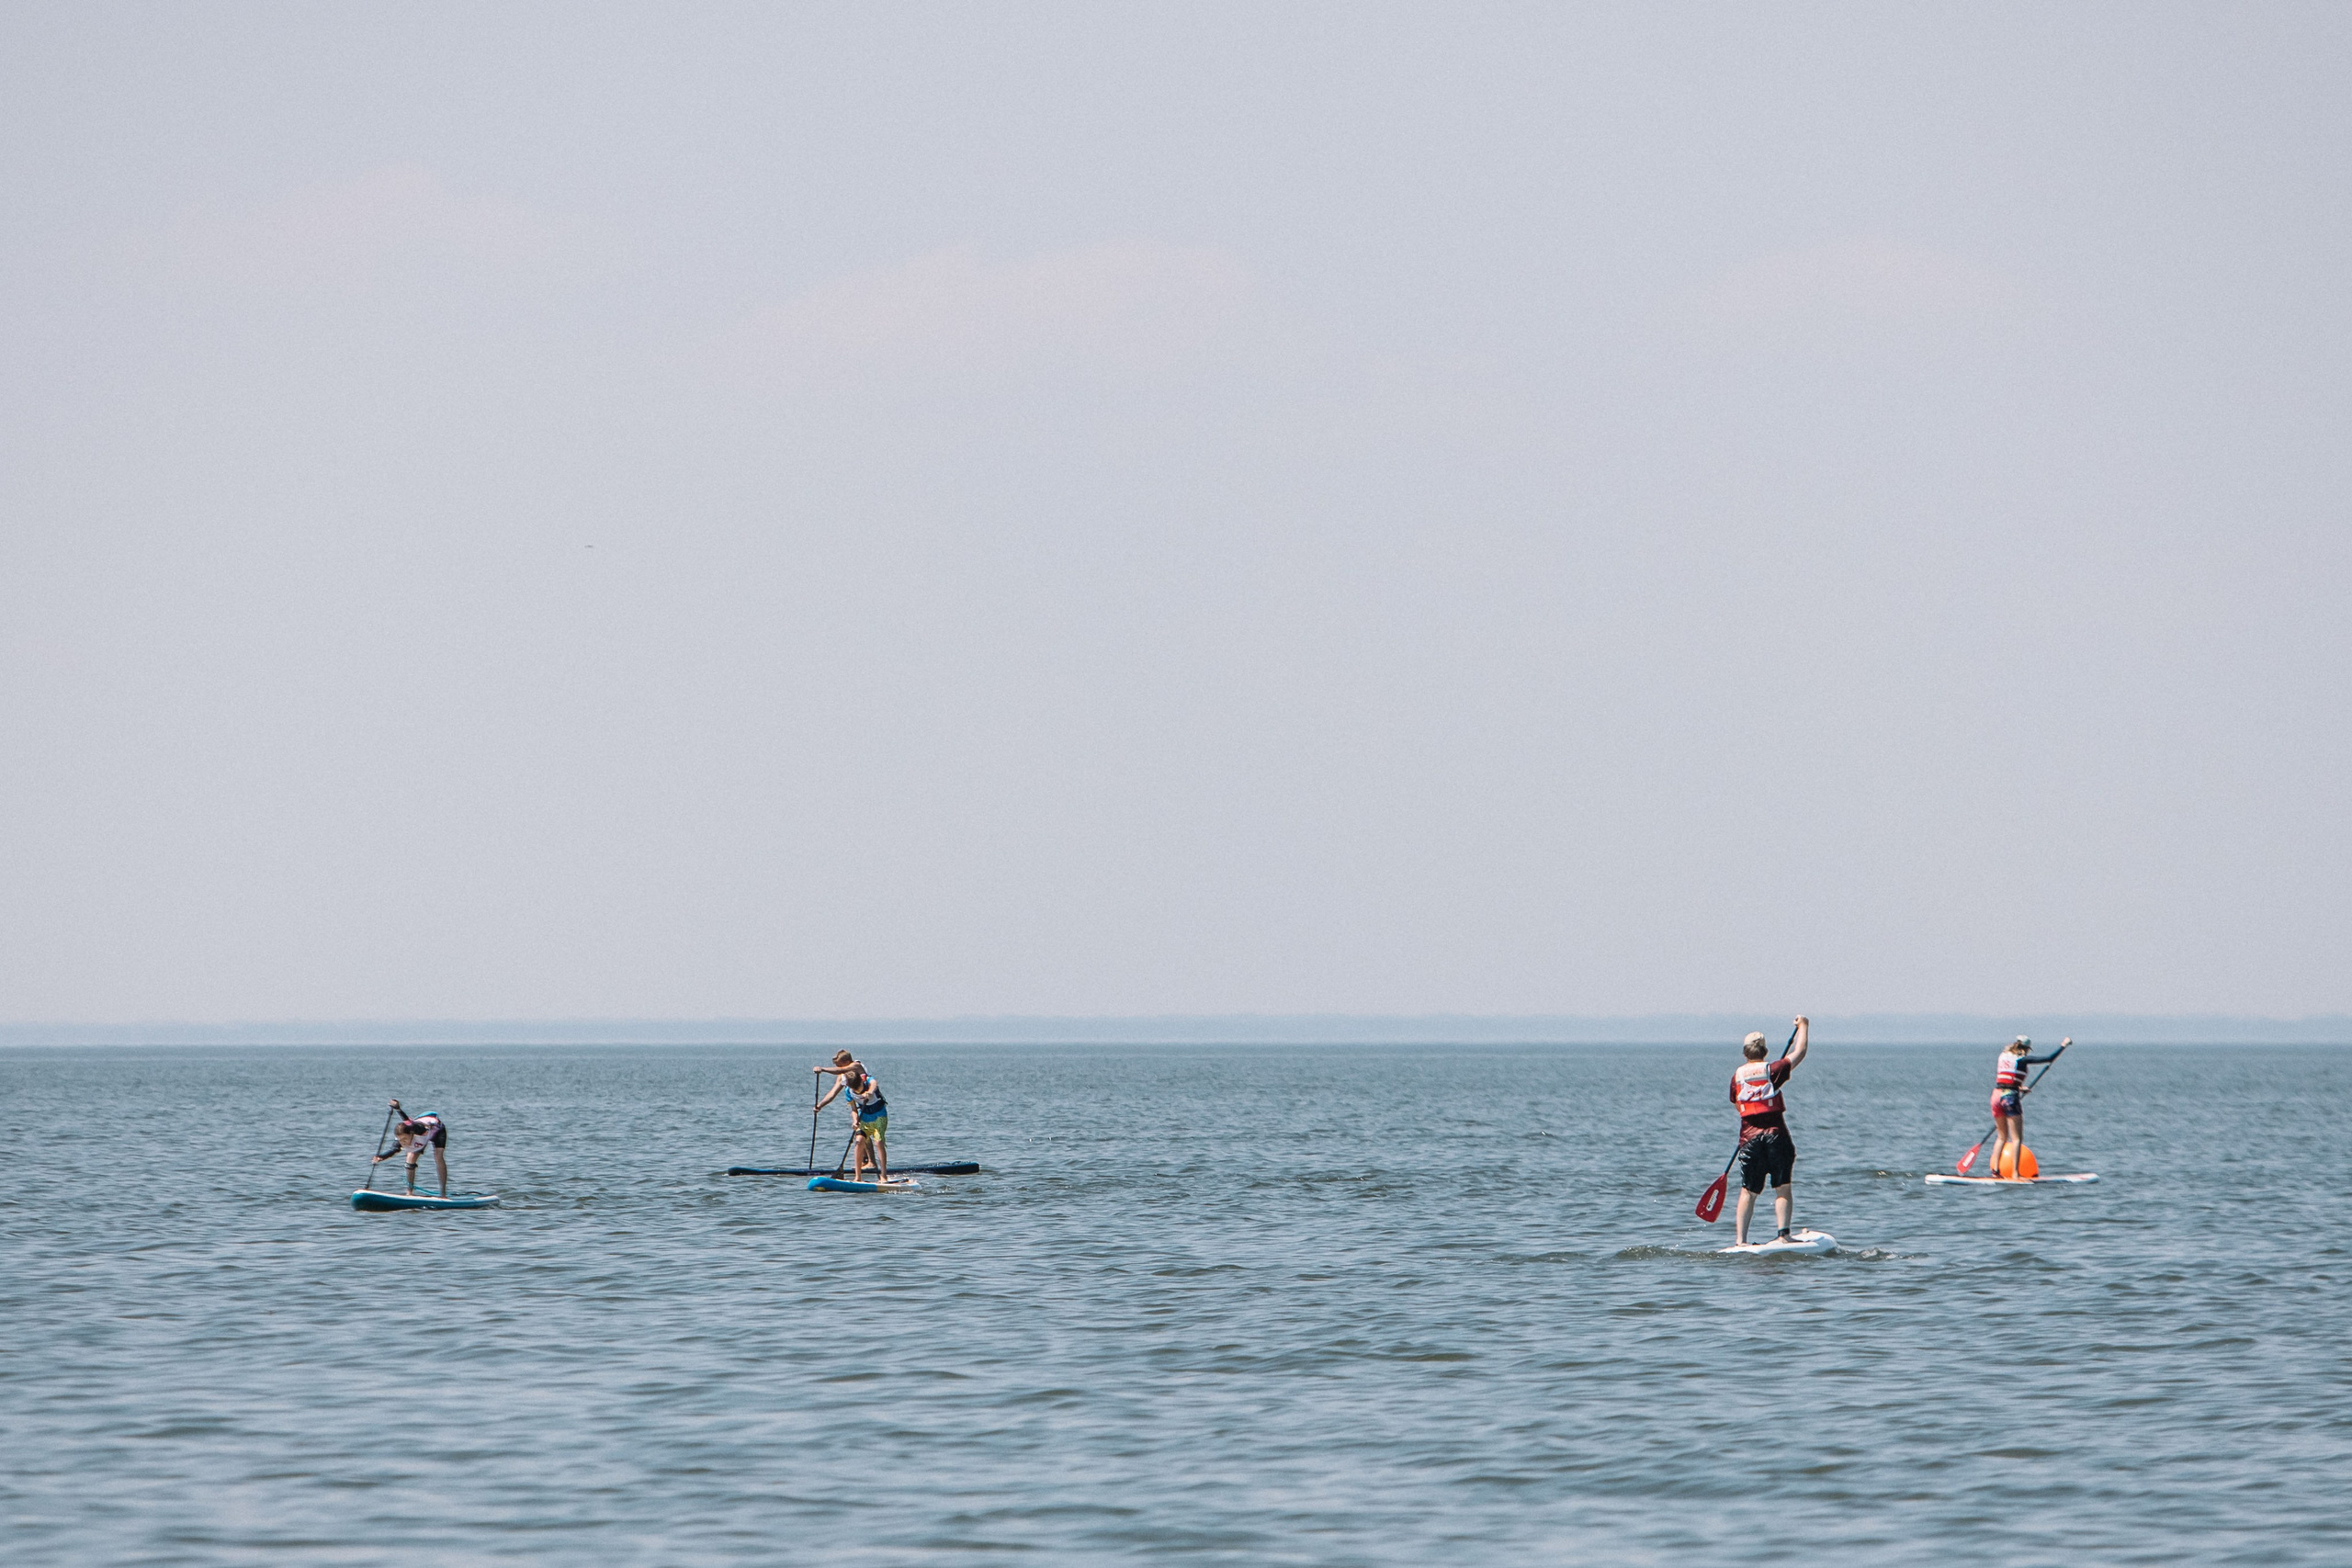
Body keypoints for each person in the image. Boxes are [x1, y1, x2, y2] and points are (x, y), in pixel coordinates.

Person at [1730, 1017, 1810, 1246]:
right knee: (1782, 1187)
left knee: (1748, 1191)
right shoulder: (1773, 1070)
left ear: (1745, 1053)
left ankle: (1741, 1241)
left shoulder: (1737, 1077)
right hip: (1776, 1137)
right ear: (1764, 1051)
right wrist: (1803, 1025)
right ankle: (1783, 1235)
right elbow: (1800, 1051)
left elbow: (1738, 1104)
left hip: (1749, 1140)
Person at [1989, 1035, 2070, 1179]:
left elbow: (2006, 1080)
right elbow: (2049, 1058)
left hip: (1996, 1096)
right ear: (2025, 1049)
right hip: (2009, 1097)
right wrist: (2063, 1045)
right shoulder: (2022, 1059)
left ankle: (1995, 1171)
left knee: (2001, 1137)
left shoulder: (2003, 1056)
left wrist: (2019, 1088)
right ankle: (2015, 1173)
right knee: (2017, 1138)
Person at [814, 1052, 889, 1183]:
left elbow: (873, 1084)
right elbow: (832, 1093)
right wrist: (819, 1106)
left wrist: (823, 1069)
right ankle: (859, 1175)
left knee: (878, 1142)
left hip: (877, 1112)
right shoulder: (846, 1084)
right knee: (859, 1140)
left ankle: (879, 1171)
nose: (838, 1069)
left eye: (839, 1065)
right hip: (863, 1112)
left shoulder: (856, 1066)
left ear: (846, 1061)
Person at [372, 1100, 450, 1197]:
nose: (403, 1142)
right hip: (420, 1138)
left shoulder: (417, 1129)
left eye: (405, 1139)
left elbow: (407, 1120)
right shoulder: (400, 1140)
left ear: (411, 1134)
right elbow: (393, 1151)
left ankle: (443, 1193)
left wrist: (398, 1109)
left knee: (438, 1157)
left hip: (437, 1129)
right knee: (410, 1160)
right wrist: (380, 1157)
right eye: (401, 1140)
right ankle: (409, 1193)